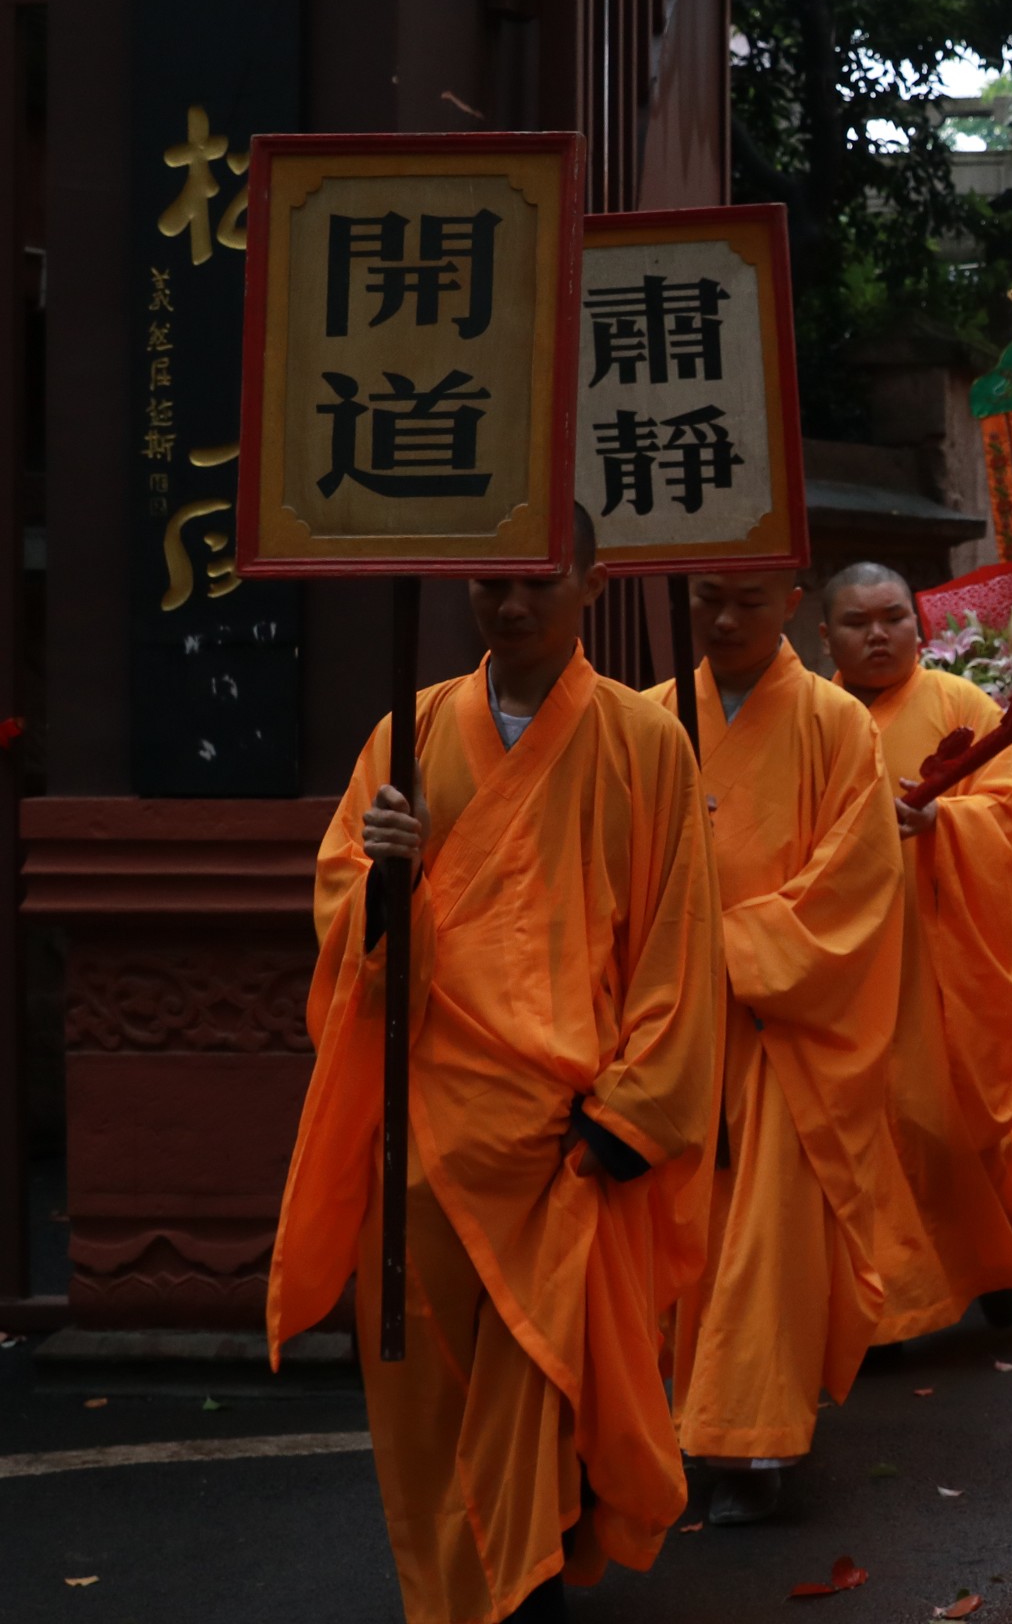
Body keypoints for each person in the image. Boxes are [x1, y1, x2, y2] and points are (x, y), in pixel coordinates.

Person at [267, 510, 720, 1624]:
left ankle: (519, 1586)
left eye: (537, 580)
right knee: (428, 1399)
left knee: (540, 1388)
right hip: (422, 1130)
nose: (512, 605)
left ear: (589, 580)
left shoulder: (645, 740)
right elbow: (344, 916)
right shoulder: (406, 735)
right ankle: (449, 1592)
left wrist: (633, 1109)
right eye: (489, 582)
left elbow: (677, 941)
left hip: (563, 1135)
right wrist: (387, 880)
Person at [661, 570, 915, 1527]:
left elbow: (856, 878)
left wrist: (721, 949)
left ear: (790, 602)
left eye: (749, 600)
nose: (725, 620)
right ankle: (657, 1429)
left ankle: (751, 1443)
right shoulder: (645, 718)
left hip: (781, 1033)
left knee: (764, 1237)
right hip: (666, 1026)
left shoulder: (836, 724)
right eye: (707, 600)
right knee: (670, 1235)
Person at [820, 564, 1012, 1343]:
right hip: (833, 958)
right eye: (858, 622)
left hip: (937, 948)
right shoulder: (809, 713)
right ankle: (889, 1305)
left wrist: (940, 827)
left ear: (918, 628)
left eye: (894, 617)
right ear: (825, 634)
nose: (879, 634)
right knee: (855, 1127)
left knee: (942, 1119)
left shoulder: (961, 703)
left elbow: (1009, 814)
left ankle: (994, 1260)